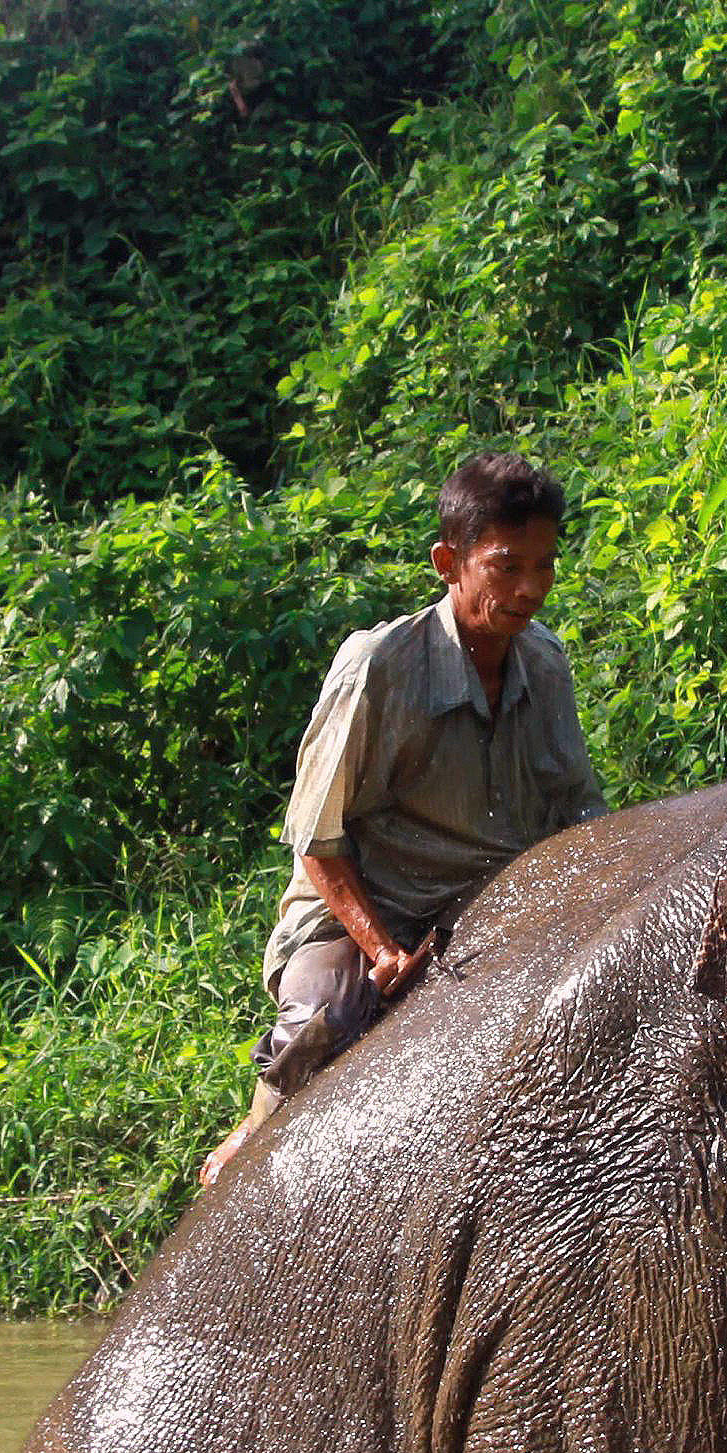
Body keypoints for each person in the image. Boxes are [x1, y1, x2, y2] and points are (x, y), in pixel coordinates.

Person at [203, 452, 607, 1183]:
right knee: (322, 1020)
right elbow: (318, 842)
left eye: (544, 567)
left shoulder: (545, 661)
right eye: (506, 566)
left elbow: (577, 811)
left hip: (490, 903)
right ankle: (256, 1137)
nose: (529, 590)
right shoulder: (377, 666)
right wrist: (382, 949)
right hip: (367, 906)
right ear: (449, 562)